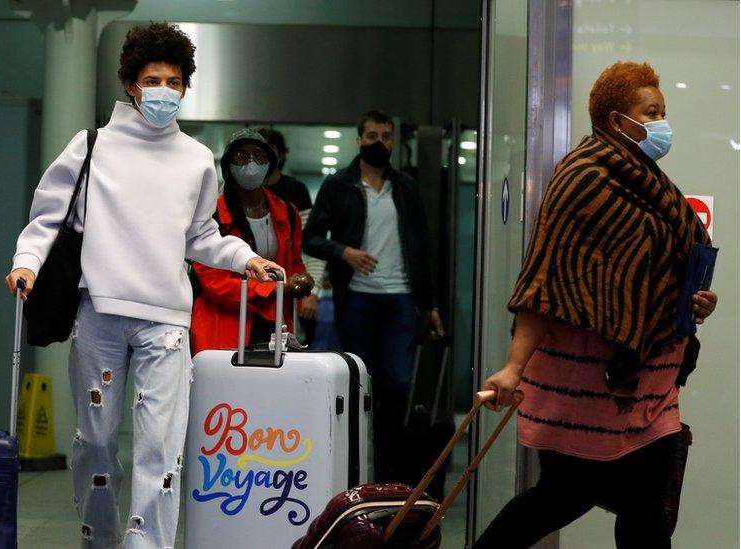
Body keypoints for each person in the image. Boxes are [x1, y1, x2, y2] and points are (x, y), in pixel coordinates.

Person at [4, 23, 284, 549]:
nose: (163, 91)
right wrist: (27, 263)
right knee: (96, 443)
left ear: (185, 86)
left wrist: (244, 258)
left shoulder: (197, 159)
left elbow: (202, 236)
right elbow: (47, 218)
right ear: (132, 84)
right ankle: (99, 539)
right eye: (153, 79)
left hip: (168, 322)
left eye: (174, 81)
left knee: (162, 449)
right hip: (99, 314)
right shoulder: (93, 146)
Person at [473, 62, 717, 549]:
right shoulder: (582, 179)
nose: (661, 123)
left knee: (648, 515)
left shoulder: (653, 185)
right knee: (562, 497)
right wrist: (512, 368)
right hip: (585, 384)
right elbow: (545, 281)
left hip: (650, 382)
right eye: (651, 112)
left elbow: (658, 272)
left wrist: (691, 301)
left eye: (662, 112)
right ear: (615, 120)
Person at [302, 110, 445, 483]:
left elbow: (422, 247)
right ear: (359, 140)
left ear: (394, 140)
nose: (378, 142)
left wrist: (429, 305)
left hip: (400, 299)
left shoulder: (406, 188)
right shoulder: (339, 185)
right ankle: (355, 468)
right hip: (357, 299)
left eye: (385, 135)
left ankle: (387, 471)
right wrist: (345, 252)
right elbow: (311, 237)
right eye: (371, 135)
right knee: (360, 384)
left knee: (397, 383)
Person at [190, 129, 313, 353]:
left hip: (274, 325)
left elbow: (293, 262)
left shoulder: (287, 213)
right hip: (223, 328)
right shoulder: (211, 213)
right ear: (229, 165)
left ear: (271, 164)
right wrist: (272, 289)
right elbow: (214, 282)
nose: (251, 163)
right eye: (241, 156)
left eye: (259, 156)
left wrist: (299, 280)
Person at [256, 127, 326, 345]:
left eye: (270, 151)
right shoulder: (231, 192)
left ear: (282, 154)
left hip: (289, 290)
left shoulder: (296, 191)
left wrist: (312, 291)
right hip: (251, 286)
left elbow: (311, 246)